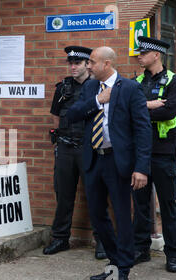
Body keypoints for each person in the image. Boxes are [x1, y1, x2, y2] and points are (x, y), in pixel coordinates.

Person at [66, 47, 152, 280]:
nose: (88, 66)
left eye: (92, 62)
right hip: (94, 159)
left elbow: (143, 130)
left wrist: (141, 168)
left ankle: (123, 270)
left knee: (122, 215)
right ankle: (115, 260)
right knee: (97, 214)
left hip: (118, 161)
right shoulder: (92, 88)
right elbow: (71, 115)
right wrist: (97, 101)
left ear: (107, 63)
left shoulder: (130, 88)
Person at [44, 46, 106, 260]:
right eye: (70, 63)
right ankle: (60, 238)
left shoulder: (98, 87)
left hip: (90, 149)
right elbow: (56, 115)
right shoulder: (63, 88)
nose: (72, 67)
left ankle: (102, 241)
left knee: (96, 195)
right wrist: (57, 140)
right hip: (66, 147)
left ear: (88, 64)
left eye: (77, 63)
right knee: (63, 195)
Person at [132, 36, 176, 273]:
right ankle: (141, 249)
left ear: (156, 55)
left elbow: (169, 111)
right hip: (140, 152)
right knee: (141, 204)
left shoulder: (175, 81)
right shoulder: (137, 81)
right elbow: (127, 111)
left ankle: (172, 254)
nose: (139, 57)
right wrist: (152, 105)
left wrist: (142, 108)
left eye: (142, 53)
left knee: (168, 205)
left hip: (163, 153)